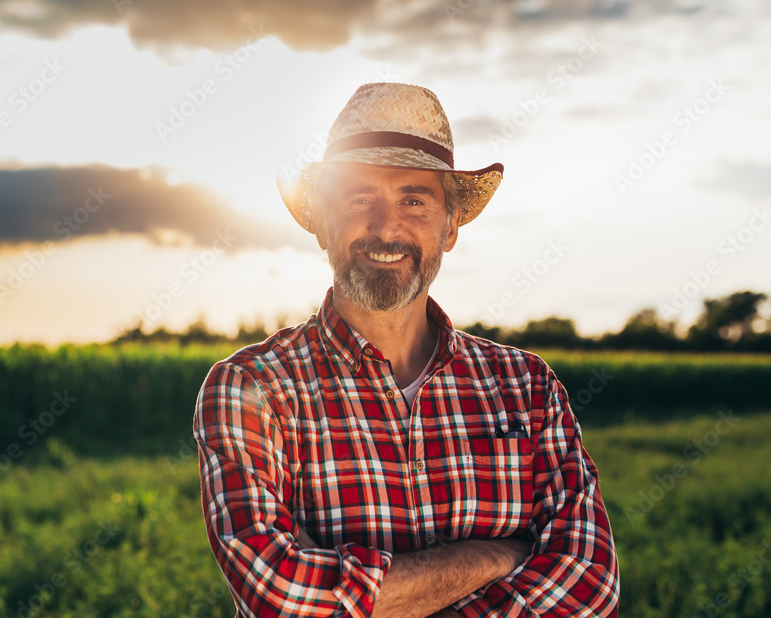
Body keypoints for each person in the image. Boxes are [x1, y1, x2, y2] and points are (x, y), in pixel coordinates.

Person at [193, 82, 619, 617]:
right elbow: (279, 599)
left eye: (413, 199)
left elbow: (590, 588)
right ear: (322, 224)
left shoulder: (527, 387)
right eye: (358, 198)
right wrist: (497, 557)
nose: (386, 226)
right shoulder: (251, 390)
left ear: (450, 226)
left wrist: (348, 589)